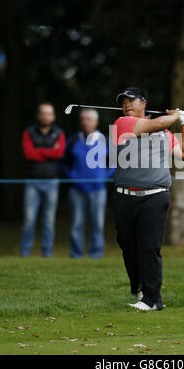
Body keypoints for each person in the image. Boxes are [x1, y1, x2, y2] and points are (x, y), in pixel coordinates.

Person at [111, 87, 184, 311]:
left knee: (149, 248)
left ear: (143, 103)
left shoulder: (164, 132)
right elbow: (154, 124)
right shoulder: (122, 123)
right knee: (127, 244)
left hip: (155, 197)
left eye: (131, 101)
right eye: (123, 102)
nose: (127, 105)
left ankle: (152, 299)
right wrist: (175, 116)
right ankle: (138, 286)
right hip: (125, 196)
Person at [62, 109, 115, 258]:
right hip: (76, 190)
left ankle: (96, 255)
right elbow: (64, 163)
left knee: (97, 224)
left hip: (98, 190)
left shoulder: (105, 140)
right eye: (83, 119)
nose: (85, 122)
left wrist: (105, 176)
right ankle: (76, 255)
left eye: (89, 119)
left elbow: (114, 162)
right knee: (76, 224)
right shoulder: (73, 141)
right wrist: (72, 177)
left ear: (96, 122)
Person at [20, 102, 66, 257]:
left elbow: (59, 154)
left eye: (49, 113)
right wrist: (48, 151)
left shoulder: (59, 133)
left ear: (53, 116)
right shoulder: (29, 132)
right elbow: (28, 154)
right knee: (29, 219)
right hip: (32, 182)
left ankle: (47, 253)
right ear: (38, 115)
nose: (45, 116)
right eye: (43, 113)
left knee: (48, 221)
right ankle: (25, 253)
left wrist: (38, 150)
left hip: (52, 182)